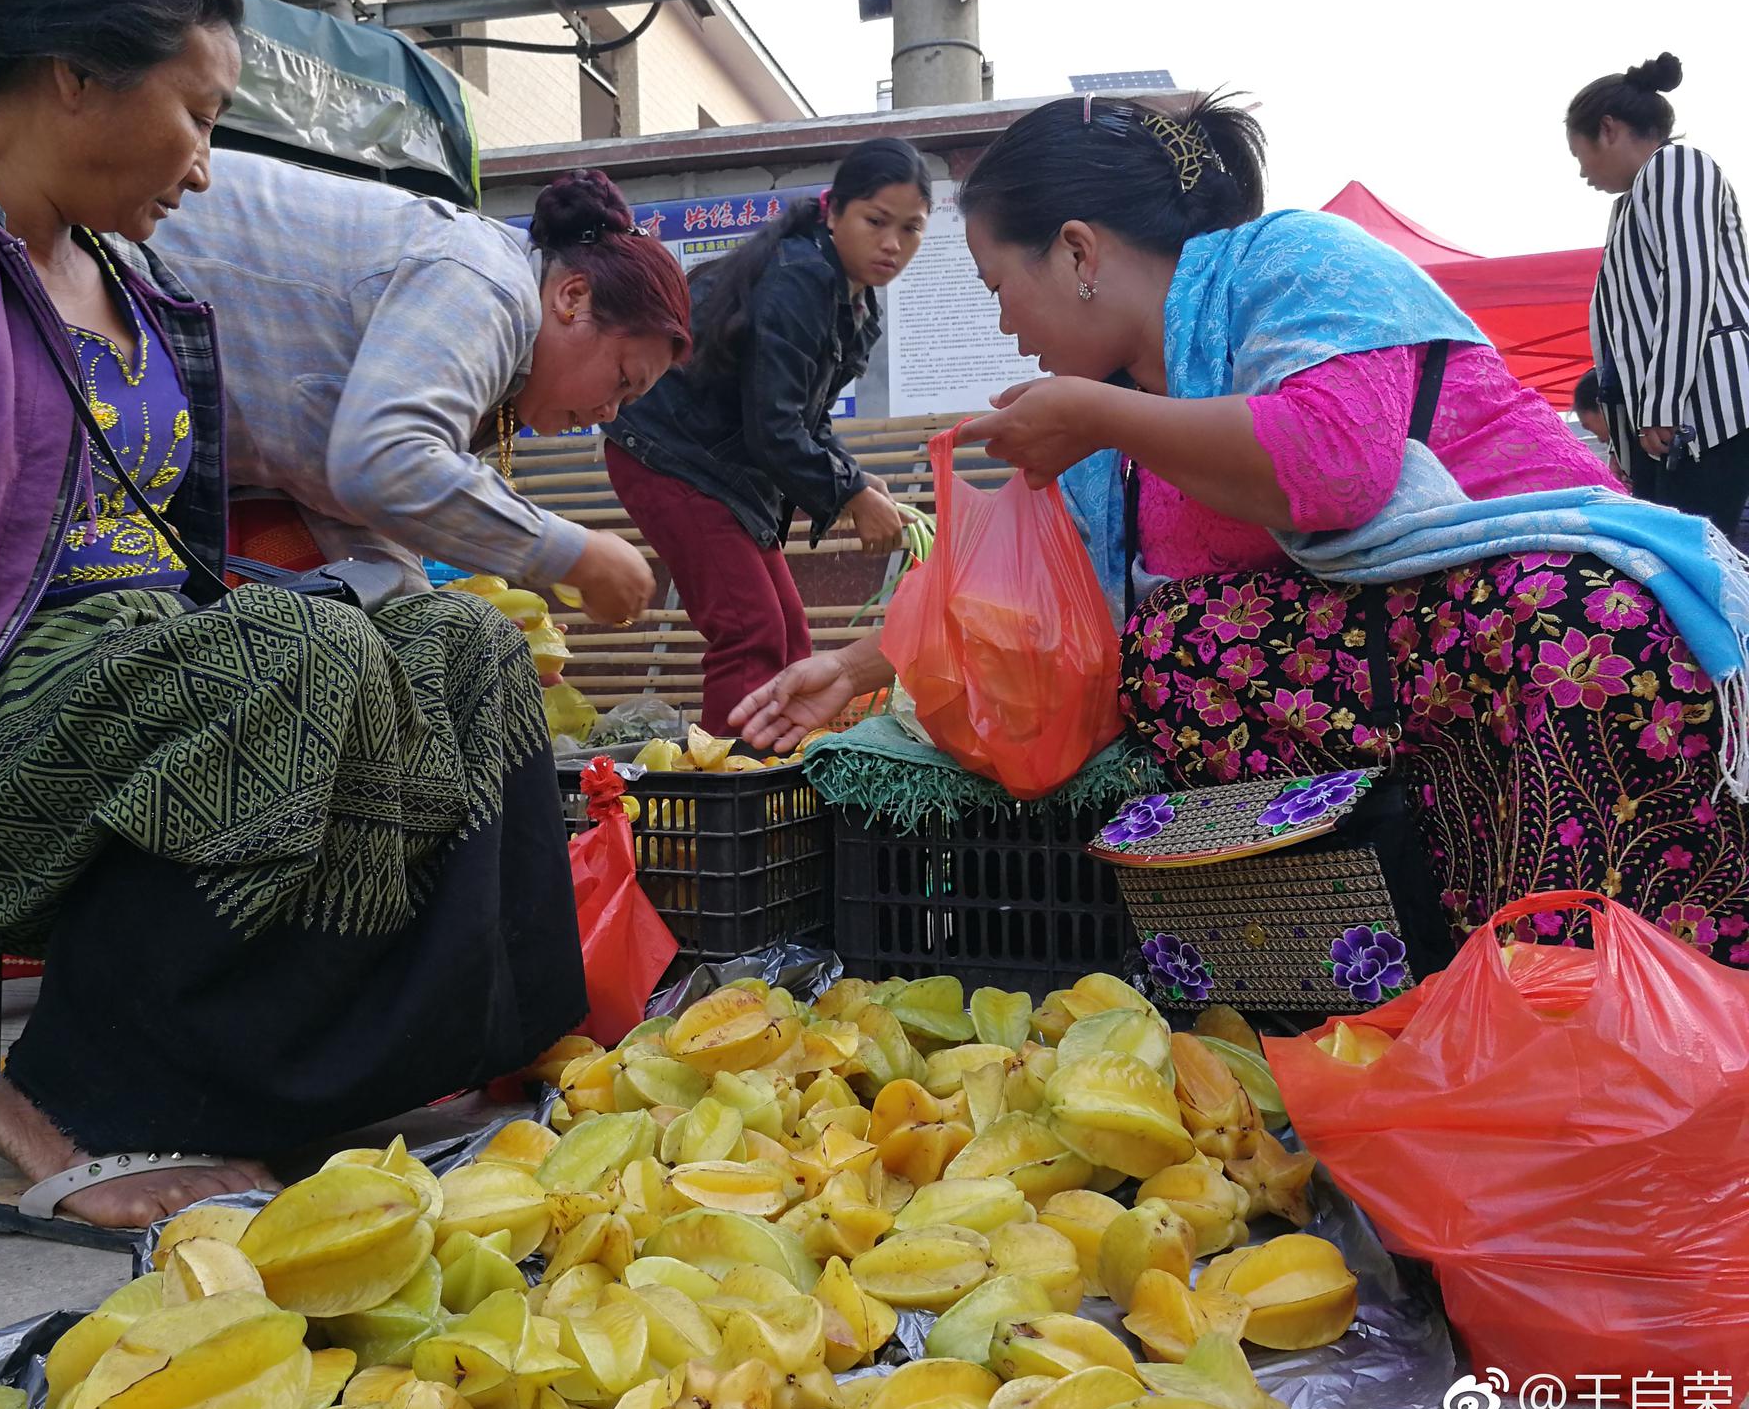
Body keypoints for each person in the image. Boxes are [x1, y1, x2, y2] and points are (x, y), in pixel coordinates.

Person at [0, 0, 587, 1237]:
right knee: (305, 653)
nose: (208, 165)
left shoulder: (129, 277)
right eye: (197, 113)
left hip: (126, 707)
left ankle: (406, 1051)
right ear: (75, 72)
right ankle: (73, 1102)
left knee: (460, 647)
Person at [736, 94, 1749, 964]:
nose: (1008, 329)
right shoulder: (1110, 411)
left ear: (1078, 252)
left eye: (1002, 290)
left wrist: (1095, 417)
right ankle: (1383, 984)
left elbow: (1332, 467)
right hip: (1413, 680)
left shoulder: (1294, 261)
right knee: (1168, 652)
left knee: (1197, 644)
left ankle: (1593, 1025)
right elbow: (1026, 597)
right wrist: (859, 668)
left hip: (1571, 628)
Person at [153, 156, 687, 624]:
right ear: (574, 297)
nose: (607, 410)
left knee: (437, 638)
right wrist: (578, 553)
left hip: (152, 438)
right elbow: (387, 462)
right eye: (622, 380)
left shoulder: (497, 364)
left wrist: (427, 620)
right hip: (103, 332)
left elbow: (359, 502)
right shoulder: (489, 280)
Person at [604, 139, 934, 731]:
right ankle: (734, 790)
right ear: (835, 213)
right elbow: (775, 429)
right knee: (750, 630)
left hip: (724, 470)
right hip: (669, 456)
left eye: (912, 228)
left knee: (788, 631)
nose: (893, 244)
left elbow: (806, 419)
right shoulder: (801, 280)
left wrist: (856, 480)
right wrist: (850, 496)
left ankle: (775, 773)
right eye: (876, 221)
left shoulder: (857, 302)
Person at [1570, 53, 1749, 535]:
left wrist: (1663, 404)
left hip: (1704, 410)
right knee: (1679, 565)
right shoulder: (1629, 203)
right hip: (1671, 423)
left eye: (1578, 152)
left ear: (1607, 128)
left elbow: (1689, 282)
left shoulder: (1676, 165)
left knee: (1697, 563)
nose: (1582, 170)